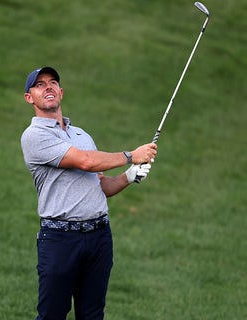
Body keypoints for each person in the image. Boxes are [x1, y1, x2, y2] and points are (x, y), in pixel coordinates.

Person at [20, 66, 158, 320]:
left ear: (61, 92)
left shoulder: (82, 135)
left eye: (52, 83)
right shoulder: (34, 136)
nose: (47, 87)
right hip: (60, 239)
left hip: (99, 237)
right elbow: (84, 161)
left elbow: (100, 186)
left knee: (93, 315)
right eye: (39, 85)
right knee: (52, 315)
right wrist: (130, 156)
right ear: (30, 98)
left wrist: (129, 176)